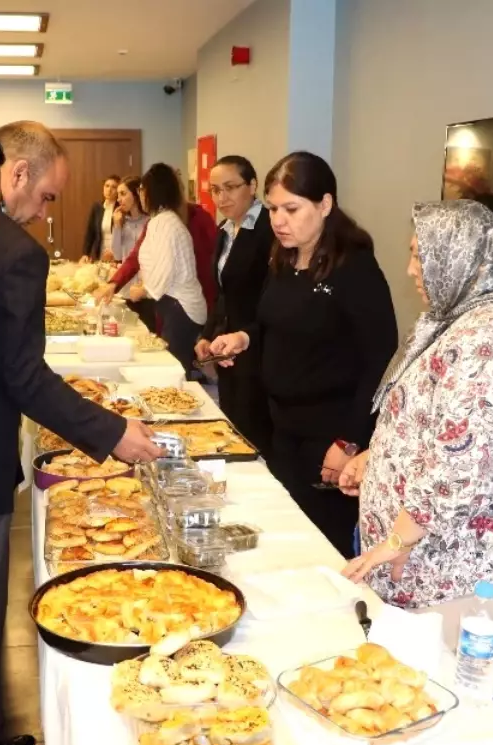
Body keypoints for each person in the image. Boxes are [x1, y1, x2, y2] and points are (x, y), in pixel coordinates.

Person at [0, 120, 162, 745]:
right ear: (13, 175)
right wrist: (112, 432)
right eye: (45, 197)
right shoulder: (12, 250)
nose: (46, 213)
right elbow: (23, 375)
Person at [338, 200, 493, 648]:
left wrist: (397, 540)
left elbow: (464, 466)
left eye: (421, 254)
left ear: (464, 257)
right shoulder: (456, 321)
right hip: (432, 552)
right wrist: (377, 459)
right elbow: (433, 422)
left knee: (433, 696)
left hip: (469, 567)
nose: (410, 269)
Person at [208, 152, 397, 558]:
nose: (278, 220)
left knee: (320, 547)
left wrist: (349, 441)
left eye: (291, 209)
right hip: (282, 427)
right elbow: (276, 324)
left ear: (325, 204)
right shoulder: (284, 257)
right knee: (284, 536)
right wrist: (243, 337)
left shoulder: (355, 268)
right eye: (274, 209)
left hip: (329, 435)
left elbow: (380, 361)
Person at [194, 155, 275, 454]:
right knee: (232, 430)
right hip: (227, 350)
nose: (221, 197)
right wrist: (206, 334)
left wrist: (242, 336)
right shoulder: (225, 230)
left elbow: (272, 297)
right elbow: (222, 294)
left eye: (230, 187)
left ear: (252, 185)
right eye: (215, 189)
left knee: (254, 437)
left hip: (258, 348)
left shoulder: (270, 229)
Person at [128, 163, 208, 374]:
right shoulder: (166, 220)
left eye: (142, 191)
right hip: (179, 306)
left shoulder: (163, 222)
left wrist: (143, 290)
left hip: (180, 307)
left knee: (174, 371)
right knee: (175, 367)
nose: (141, 196)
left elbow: (164, 270)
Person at [81, 173, 120, 261]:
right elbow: (90, 232)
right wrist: (85, 253)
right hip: (101, 252)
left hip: (117, 253)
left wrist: (115, 252)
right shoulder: (97, 207)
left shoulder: (121, 209)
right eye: (107, 186)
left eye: (113, 187)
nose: (109, 190)